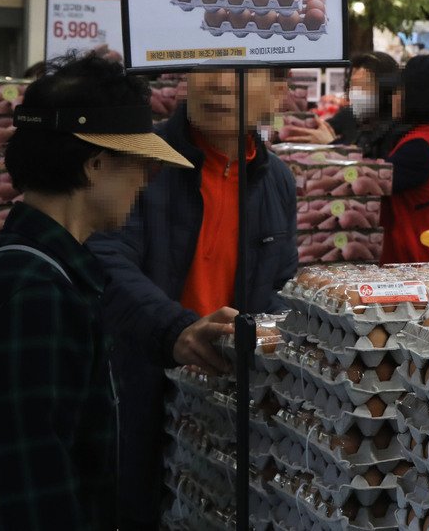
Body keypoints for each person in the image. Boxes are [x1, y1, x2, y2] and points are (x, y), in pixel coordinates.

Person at [0, 53, 192, 530]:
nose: (144, 185)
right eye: (140, 168)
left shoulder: (49, 272)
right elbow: (36, 486)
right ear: (96, 165)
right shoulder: (34, 294)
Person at [87, 68, 297, 530]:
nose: (218, 83)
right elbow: (103, 258)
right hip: (136, 397)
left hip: (227, 412)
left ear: (277, 94)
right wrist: (174, 329)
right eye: (206, 64)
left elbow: (281, 287)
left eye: (239, 71)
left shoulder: (277, 181)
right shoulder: (139, 162)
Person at [380, 55, 429, 263]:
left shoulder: (419, 146)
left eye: (398, 91)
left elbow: (374, 181)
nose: (394, 98)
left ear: (413, 95)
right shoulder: (424, 137)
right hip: (410, 260)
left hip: (411, 262)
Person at [278, 51, 400, 150]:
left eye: (365, 85)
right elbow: (315, 130)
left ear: (387, 88)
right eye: (353, 85)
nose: (356, 92)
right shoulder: (348, 116)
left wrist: (331, 145)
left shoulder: (393, 132)